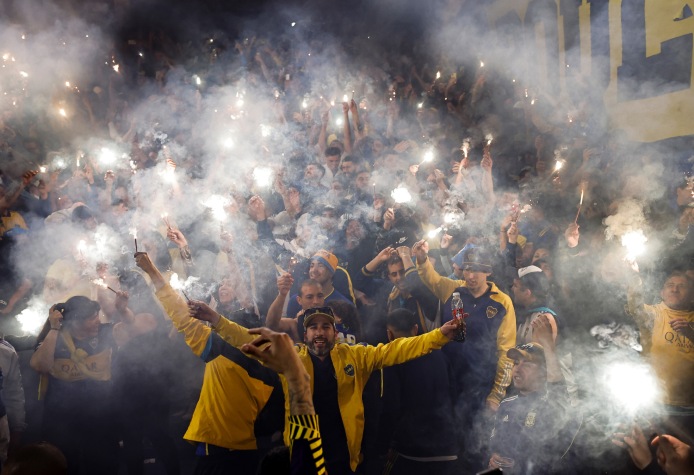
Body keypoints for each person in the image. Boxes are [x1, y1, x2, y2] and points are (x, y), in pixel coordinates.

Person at [188, 301, 462, 475]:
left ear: (335, 332)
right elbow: (246, 339)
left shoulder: (356, 356)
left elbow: (399, 349)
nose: (319, 332)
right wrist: (216, 319)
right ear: (305, 334)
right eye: (313, 328)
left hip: (344, 456)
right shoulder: (290, 357)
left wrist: (439, 335)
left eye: (326, 327)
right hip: (303, 455)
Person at [134, 252, 284, 475]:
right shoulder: (277, 361)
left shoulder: (220, 351)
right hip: (250, 449)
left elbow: (179, 313)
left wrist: (152, 271)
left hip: (218, 447)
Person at [29, 297, 119, 475]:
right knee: (66, 465)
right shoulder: (54, 338)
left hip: (100, 415)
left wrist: (123, 309)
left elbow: (135, 328)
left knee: (103, 465)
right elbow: (41, 366)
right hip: (62, 419)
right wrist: (54, 328)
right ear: (76, 321)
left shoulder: (105, 333)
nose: (98, 320)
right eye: (93, 317)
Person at [488, 315, 578, 474]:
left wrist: (548, 345)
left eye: (527, 363)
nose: (517, 368)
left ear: (544, 372)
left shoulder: (552, 404)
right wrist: (493, 458)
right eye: (516, 363)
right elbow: (495, 446)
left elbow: (557, 390)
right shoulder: (506, 404)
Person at [377, 308, 458, 475]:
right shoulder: (440, 356)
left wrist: (383, 447)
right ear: (415, 329)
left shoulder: (393, 360)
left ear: (389, 334)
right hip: (447, 447)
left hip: (411, 452)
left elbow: (391, 407)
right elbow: (455, 397)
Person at [627, 269, 694, 439]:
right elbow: (635, 306)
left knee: (684, 460)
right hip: (654, 404)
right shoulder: (655, 313)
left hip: (689, 408)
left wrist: (691, 333)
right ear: (662, 293)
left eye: (682, 286)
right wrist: (635, 279)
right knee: (652, 453)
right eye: (670, 285)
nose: (674, 289)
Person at [355, 246, 440, 344]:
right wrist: (379, 258)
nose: (399, 277)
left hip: (424, 351)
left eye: (402, 272)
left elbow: (416, 286)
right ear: (389, 277)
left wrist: (405, 256)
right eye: (394, 274)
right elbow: (359, 282)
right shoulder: (389, 291)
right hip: (398, 352)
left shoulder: (424, 291)